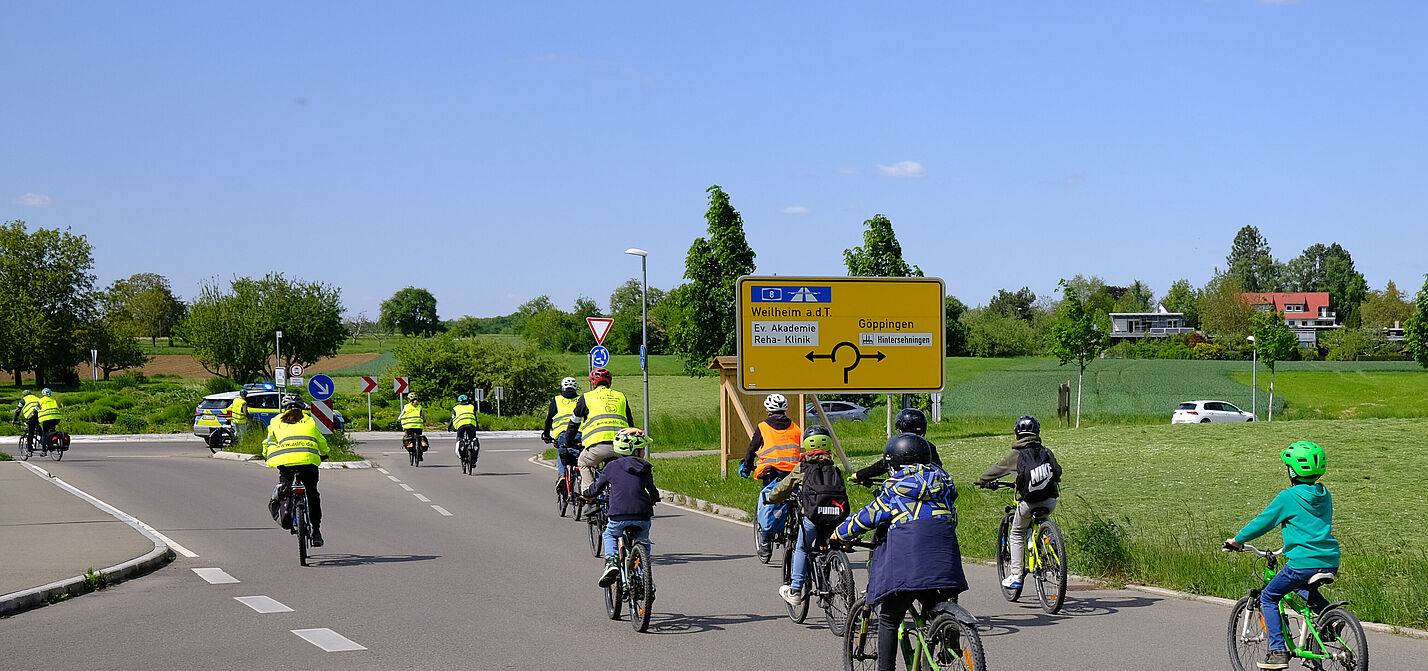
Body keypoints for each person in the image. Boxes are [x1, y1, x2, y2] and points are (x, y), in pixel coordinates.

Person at [833, 433, 968, 671]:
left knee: (888, 618)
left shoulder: (894, 490)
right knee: (931, 607)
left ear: (892, 464)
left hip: (910, 564)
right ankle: (944, 638)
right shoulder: (945, 487)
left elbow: (867, 517)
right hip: (946, 562)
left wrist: (838, 535)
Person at [1224, 441, 1340, 671]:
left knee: (1268, 596)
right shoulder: (1324, 494)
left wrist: (1238, 540)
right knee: (1298, 588)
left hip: (1302, 563)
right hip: (1329, 559)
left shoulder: (1289, 496)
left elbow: (1263, 521)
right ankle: (1330, 619)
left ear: (1292, 471)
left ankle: (1278, 652)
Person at [974, 415, 1062, 590]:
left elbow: (995, 471)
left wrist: (983, 481)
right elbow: (1058, 472)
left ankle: (1015, 575)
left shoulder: (1015, 455)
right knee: (1043, 517)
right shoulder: (1046, 452)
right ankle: (1050, 540)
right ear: (1037, 433)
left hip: (1028, 503)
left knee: (1016, 533)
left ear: (1016, 436)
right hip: (1050, 500)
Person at [768, 425, 849, 605]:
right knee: (831, 549)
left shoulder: (803, 467)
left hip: (812, 517)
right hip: (835, 517)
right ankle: (845, 586)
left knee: (802, 548)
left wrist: (772, 497)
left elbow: (784, 487)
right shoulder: (834, 468)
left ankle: (795, 590)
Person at [583, 428, 659, 587]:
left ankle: (611, 563)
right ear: (636, 451)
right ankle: (645, 577)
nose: (644, 452)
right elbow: (652, 490)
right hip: (642, 516)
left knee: (609, 534)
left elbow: (596, 488)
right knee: (643, 541)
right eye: (642, 449)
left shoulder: (611, 467)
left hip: (618, 515)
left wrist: (587, 494)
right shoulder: (645, 467)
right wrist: (654, 499)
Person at [739, 393, 802, 560]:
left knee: (768, 503)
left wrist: (746, 465)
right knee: (796, 501)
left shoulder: (763, 427)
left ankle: (766, 544)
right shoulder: (795, 427)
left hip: (772, 474)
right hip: (794, 474)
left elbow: (752, 449)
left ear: (768, 409)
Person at [263, 393, 330, 546]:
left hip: (285, 464)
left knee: (285, 492)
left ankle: (287, 512)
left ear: (284, 408)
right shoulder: (309, 421)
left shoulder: (275, 422)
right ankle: (316, 532)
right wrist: (325, 453)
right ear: (302, 408)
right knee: (312, 494)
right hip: (308, 463)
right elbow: (321, 441)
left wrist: (266, 455)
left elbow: (267, 443)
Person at [568, 368, 635, 489]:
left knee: (583, 463)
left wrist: (567, 442)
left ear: (593, 383)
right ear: (610, 382)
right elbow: (630, 423)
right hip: (621, 448)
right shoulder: (621, 397)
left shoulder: (586, 398)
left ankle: (589, 493)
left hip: (597, 448)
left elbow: (574, 423)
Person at [853, 407, 942, 485]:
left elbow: (882, 466)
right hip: (926, 489)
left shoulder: (898, 445)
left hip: (900, 489)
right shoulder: (928, 446)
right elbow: (938, 469)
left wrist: (859, 474)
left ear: (902, 428)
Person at [541, 377, 582, 480]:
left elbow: (549, 419)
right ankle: (583, 477)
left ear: (563, 388)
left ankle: (562, 475)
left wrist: (546, 435)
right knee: (582, 456)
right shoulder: (581, 399)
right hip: (581, 434)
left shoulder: (557, 400)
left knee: (562, 453)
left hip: (563, 434)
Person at [448, 394, 479, 463]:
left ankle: (460, 453)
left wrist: (449, 427)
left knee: (459, 438)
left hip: (460, 426)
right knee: (472, 439)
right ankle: (473, 458)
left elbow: (452, 419)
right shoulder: (471, 407)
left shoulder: (456, 408)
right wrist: (477, 426)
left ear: (459, 402)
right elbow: (475, 417)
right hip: (471, 425)